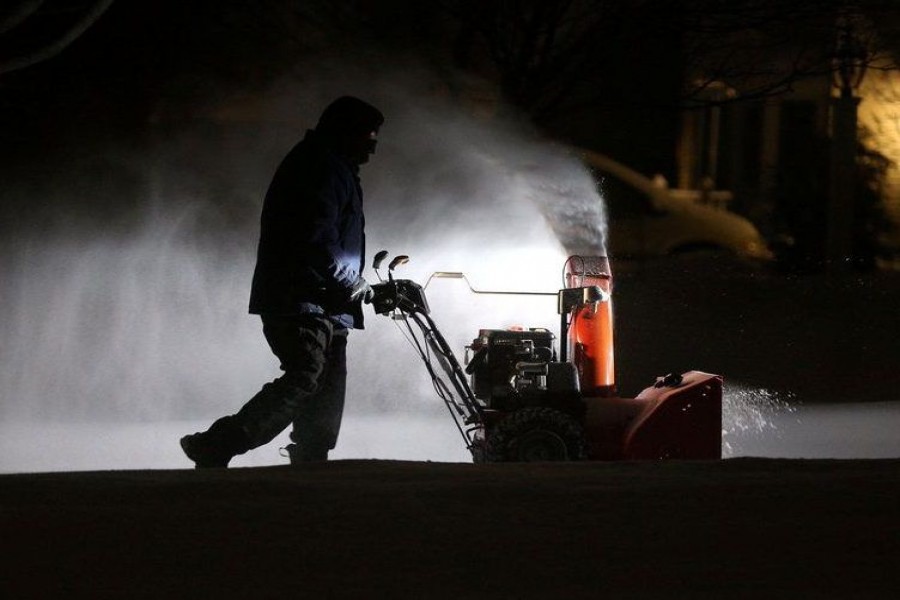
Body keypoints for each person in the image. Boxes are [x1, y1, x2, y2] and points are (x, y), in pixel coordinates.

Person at [180, 96, 384, 468]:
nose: (373, 145)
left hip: (327, 300)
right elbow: (315, 239)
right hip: (300, 297)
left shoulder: (335, 167)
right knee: (306, 375)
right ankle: (217, 444)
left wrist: (354, 285)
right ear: (345, 132)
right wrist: (352, 282)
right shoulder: (319, 168)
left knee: (327, 381)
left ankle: (311, 456)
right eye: (368, 135)